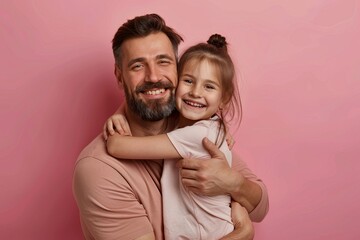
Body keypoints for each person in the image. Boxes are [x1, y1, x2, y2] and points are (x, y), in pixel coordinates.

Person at [73, 13, 268, 240]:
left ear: (177, 69)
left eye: (163, 62)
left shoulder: (192, 126)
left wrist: (233, 183)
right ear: (119, 77)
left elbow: (260, 206)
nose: (154, 76)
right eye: (138, 65)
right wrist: (241, 235)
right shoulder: (99, 169)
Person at [105, 33, 247, 239]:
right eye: (188, 81)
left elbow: (116, 147)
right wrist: (120, 111)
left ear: (223, 99)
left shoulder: (197, 135)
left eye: (209, 86)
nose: (195, 93)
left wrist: (118, 117)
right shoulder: (208, 126)